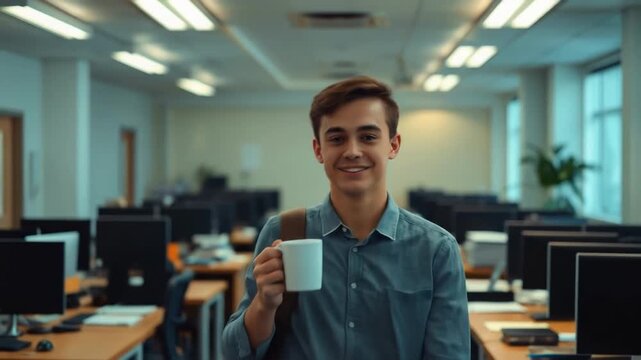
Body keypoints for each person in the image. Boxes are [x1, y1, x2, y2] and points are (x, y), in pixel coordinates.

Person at [222, 76, 470, 359]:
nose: (352, 151)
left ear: (393, 145)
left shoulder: (436, 250)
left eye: (368, 137)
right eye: (337, 138)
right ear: (319, 150)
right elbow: (233, 351)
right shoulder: (283, 233)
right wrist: (264, 304)